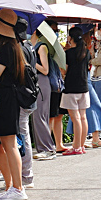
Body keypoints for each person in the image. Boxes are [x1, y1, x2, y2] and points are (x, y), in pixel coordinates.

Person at [0, 10, 30, 200]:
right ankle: (11, 185)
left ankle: (18, 187)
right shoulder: (15, 47)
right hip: (7, 98)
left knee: (9, 144)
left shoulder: (6, 49)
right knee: (0, 144)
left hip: (5, 99)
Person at [32, 20, 66, 158]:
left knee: (41, 116)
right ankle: (44, 148)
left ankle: (47, 148)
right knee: (37, 116)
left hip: (42, 82)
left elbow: (45, 70)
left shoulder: (42, 47)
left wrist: (30, 63)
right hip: (37, 83)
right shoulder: (33, 47)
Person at [60, 25, 91, 155]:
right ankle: (81, 145)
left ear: (70, 38)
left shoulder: (68, 53)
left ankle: (76, 146)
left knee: (75, 118)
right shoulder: (86, 52)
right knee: (83, 117)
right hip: (83, 87)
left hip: (71, 88)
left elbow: (64, 70)